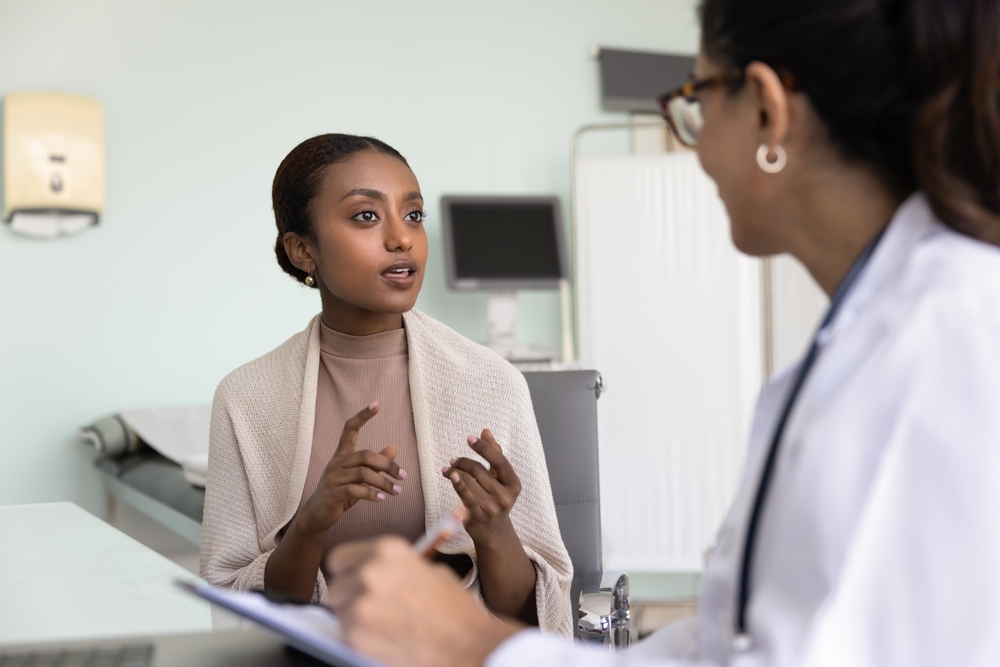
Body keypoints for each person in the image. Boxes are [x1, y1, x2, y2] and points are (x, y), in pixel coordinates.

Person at [324, 0, 1000, 665]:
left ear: (767, 108)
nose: (696, 141)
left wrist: (469, 642)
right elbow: (729, 645)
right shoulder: (859, 344)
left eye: (698, 101)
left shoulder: (946, 346)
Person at [199, 134, 573, 636]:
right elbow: (233, 607)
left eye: (413, 215)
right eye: (366, 216)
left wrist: (494, 530)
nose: (402, 238)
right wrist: (311, 522)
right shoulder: (246, 399)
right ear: (303, 250)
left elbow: (533, 622)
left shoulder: (491, 382)